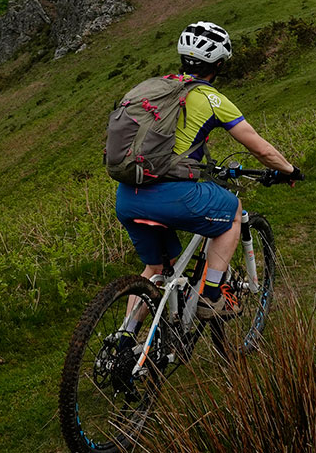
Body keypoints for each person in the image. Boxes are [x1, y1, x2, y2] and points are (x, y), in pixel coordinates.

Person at [114, 21, 302, 319]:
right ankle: (211, 296)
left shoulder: (155, 88)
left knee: (157, 269)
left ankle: (127, 341)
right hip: (172, 195)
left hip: (128, 194)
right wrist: (290, 170)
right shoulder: (212, 98)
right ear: (218, 65)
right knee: (231, 213)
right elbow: (261, 148)